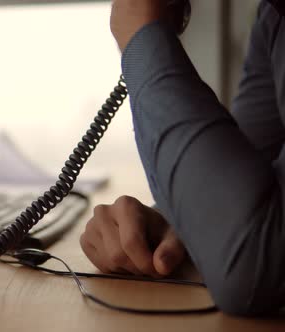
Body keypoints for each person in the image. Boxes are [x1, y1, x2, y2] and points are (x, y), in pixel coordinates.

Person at [79, 0, 285, 315]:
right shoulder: (275, 18)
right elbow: (246, 185)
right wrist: (171, 222)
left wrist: (140, 33)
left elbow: (253, 267)